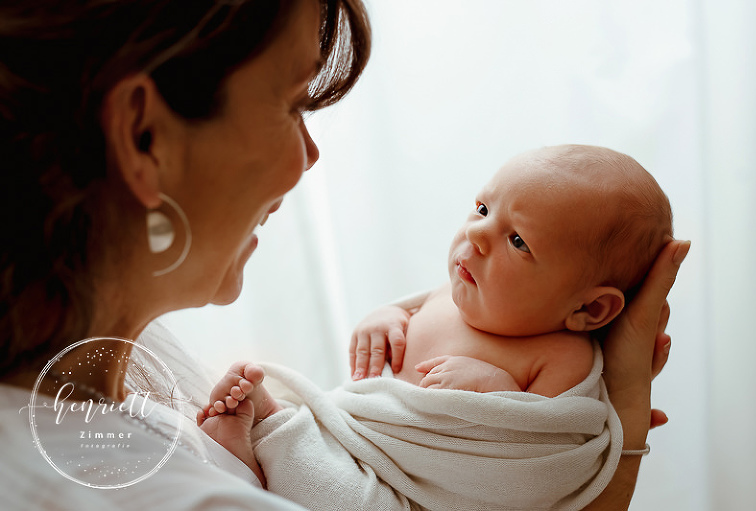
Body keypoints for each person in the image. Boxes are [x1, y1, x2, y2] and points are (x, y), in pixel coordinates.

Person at [0, 0, 689, 509]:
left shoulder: (106, 361)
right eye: (294, 103)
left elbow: (528, 456)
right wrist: (624, 424)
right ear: (145, 136)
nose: (310, 156)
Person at [198, 144, 674, 509]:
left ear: (589, 311)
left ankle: (267, 445)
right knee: (321, 450)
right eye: (484, 210)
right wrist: (384, 319)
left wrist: (500, 388)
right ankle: (270, 427)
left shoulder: (563, 355)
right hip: (360, 436)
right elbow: (401, 326)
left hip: (418, 495)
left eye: (518, 241)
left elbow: (542, 461)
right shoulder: (452, 294)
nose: (476, 234)